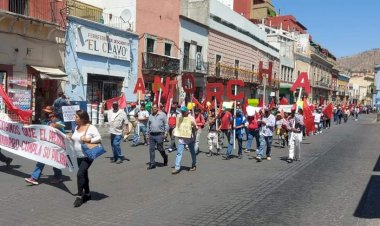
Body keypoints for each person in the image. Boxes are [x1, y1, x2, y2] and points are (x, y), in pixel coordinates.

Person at [70, 110, 102, 207]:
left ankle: (80, 197)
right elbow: (76, 139)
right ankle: (87, 194)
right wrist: (70, 138)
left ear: (82, 118)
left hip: (88, 155)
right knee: (84, 175)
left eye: (76, 117)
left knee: (80, 174)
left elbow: (99, 138)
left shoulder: (90, 127)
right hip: (78, 155)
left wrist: (89, 139)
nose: (74, 118)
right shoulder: (77, 127)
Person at [25, 112, 65, 185]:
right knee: (41, 160)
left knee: (55, 163)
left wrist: (56, 127)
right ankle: (34, 177)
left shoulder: (60, 123)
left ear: (55, 116)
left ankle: (58, 177)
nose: (50, 117)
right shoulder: (48, 122)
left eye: (52, 116)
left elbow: (63, 134)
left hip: (55, 147)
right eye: (49, 116)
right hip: (47, 146)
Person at [172, 106, 197, 174]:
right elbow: (177, 127)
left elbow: (196, 129)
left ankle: (194, 164)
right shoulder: (179, 118)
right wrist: (174, 130)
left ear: (187, 112)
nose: (182, 113)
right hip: (182, 138)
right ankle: (177, 167)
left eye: (183, 112)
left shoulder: (191, 118)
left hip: (190, 138)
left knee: (192, 152)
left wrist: (194, 125)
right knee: (179, 153)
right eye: (182, 112)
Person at [147, 104, 169, 170]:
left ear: (157, 108)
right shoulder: (150, 116)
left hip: (160, 134)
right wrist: (146, 134)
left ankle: (165, 157)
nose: (153, 109)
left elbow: (166, 124)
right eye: (152, 108)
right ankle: (152, 163)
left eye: (155, 108)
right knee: (151, 149)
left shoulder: (162, 115)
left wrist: (166, 133)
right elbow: (148, 125)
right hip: (152, 135)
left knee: (160, 148)